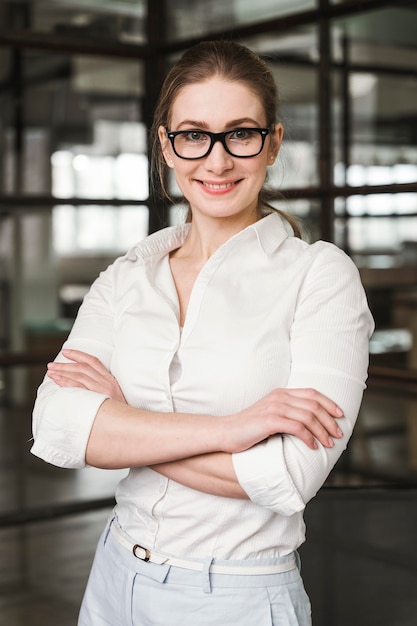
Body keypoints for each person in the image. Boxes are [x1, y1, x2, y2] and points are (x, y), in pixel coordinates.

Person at [31, 40, 374, 625]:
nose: (216, 161)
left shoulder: (320, 275)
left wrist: (120, 418)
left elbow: (287, 477)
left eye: (241, 133)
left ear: (273, 143)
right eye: (194, 135)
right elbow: (57, 425)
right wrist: (234, 429)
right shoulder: (126, 276)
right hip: (113, 578)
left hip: (237, 596)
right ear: (166, 145)